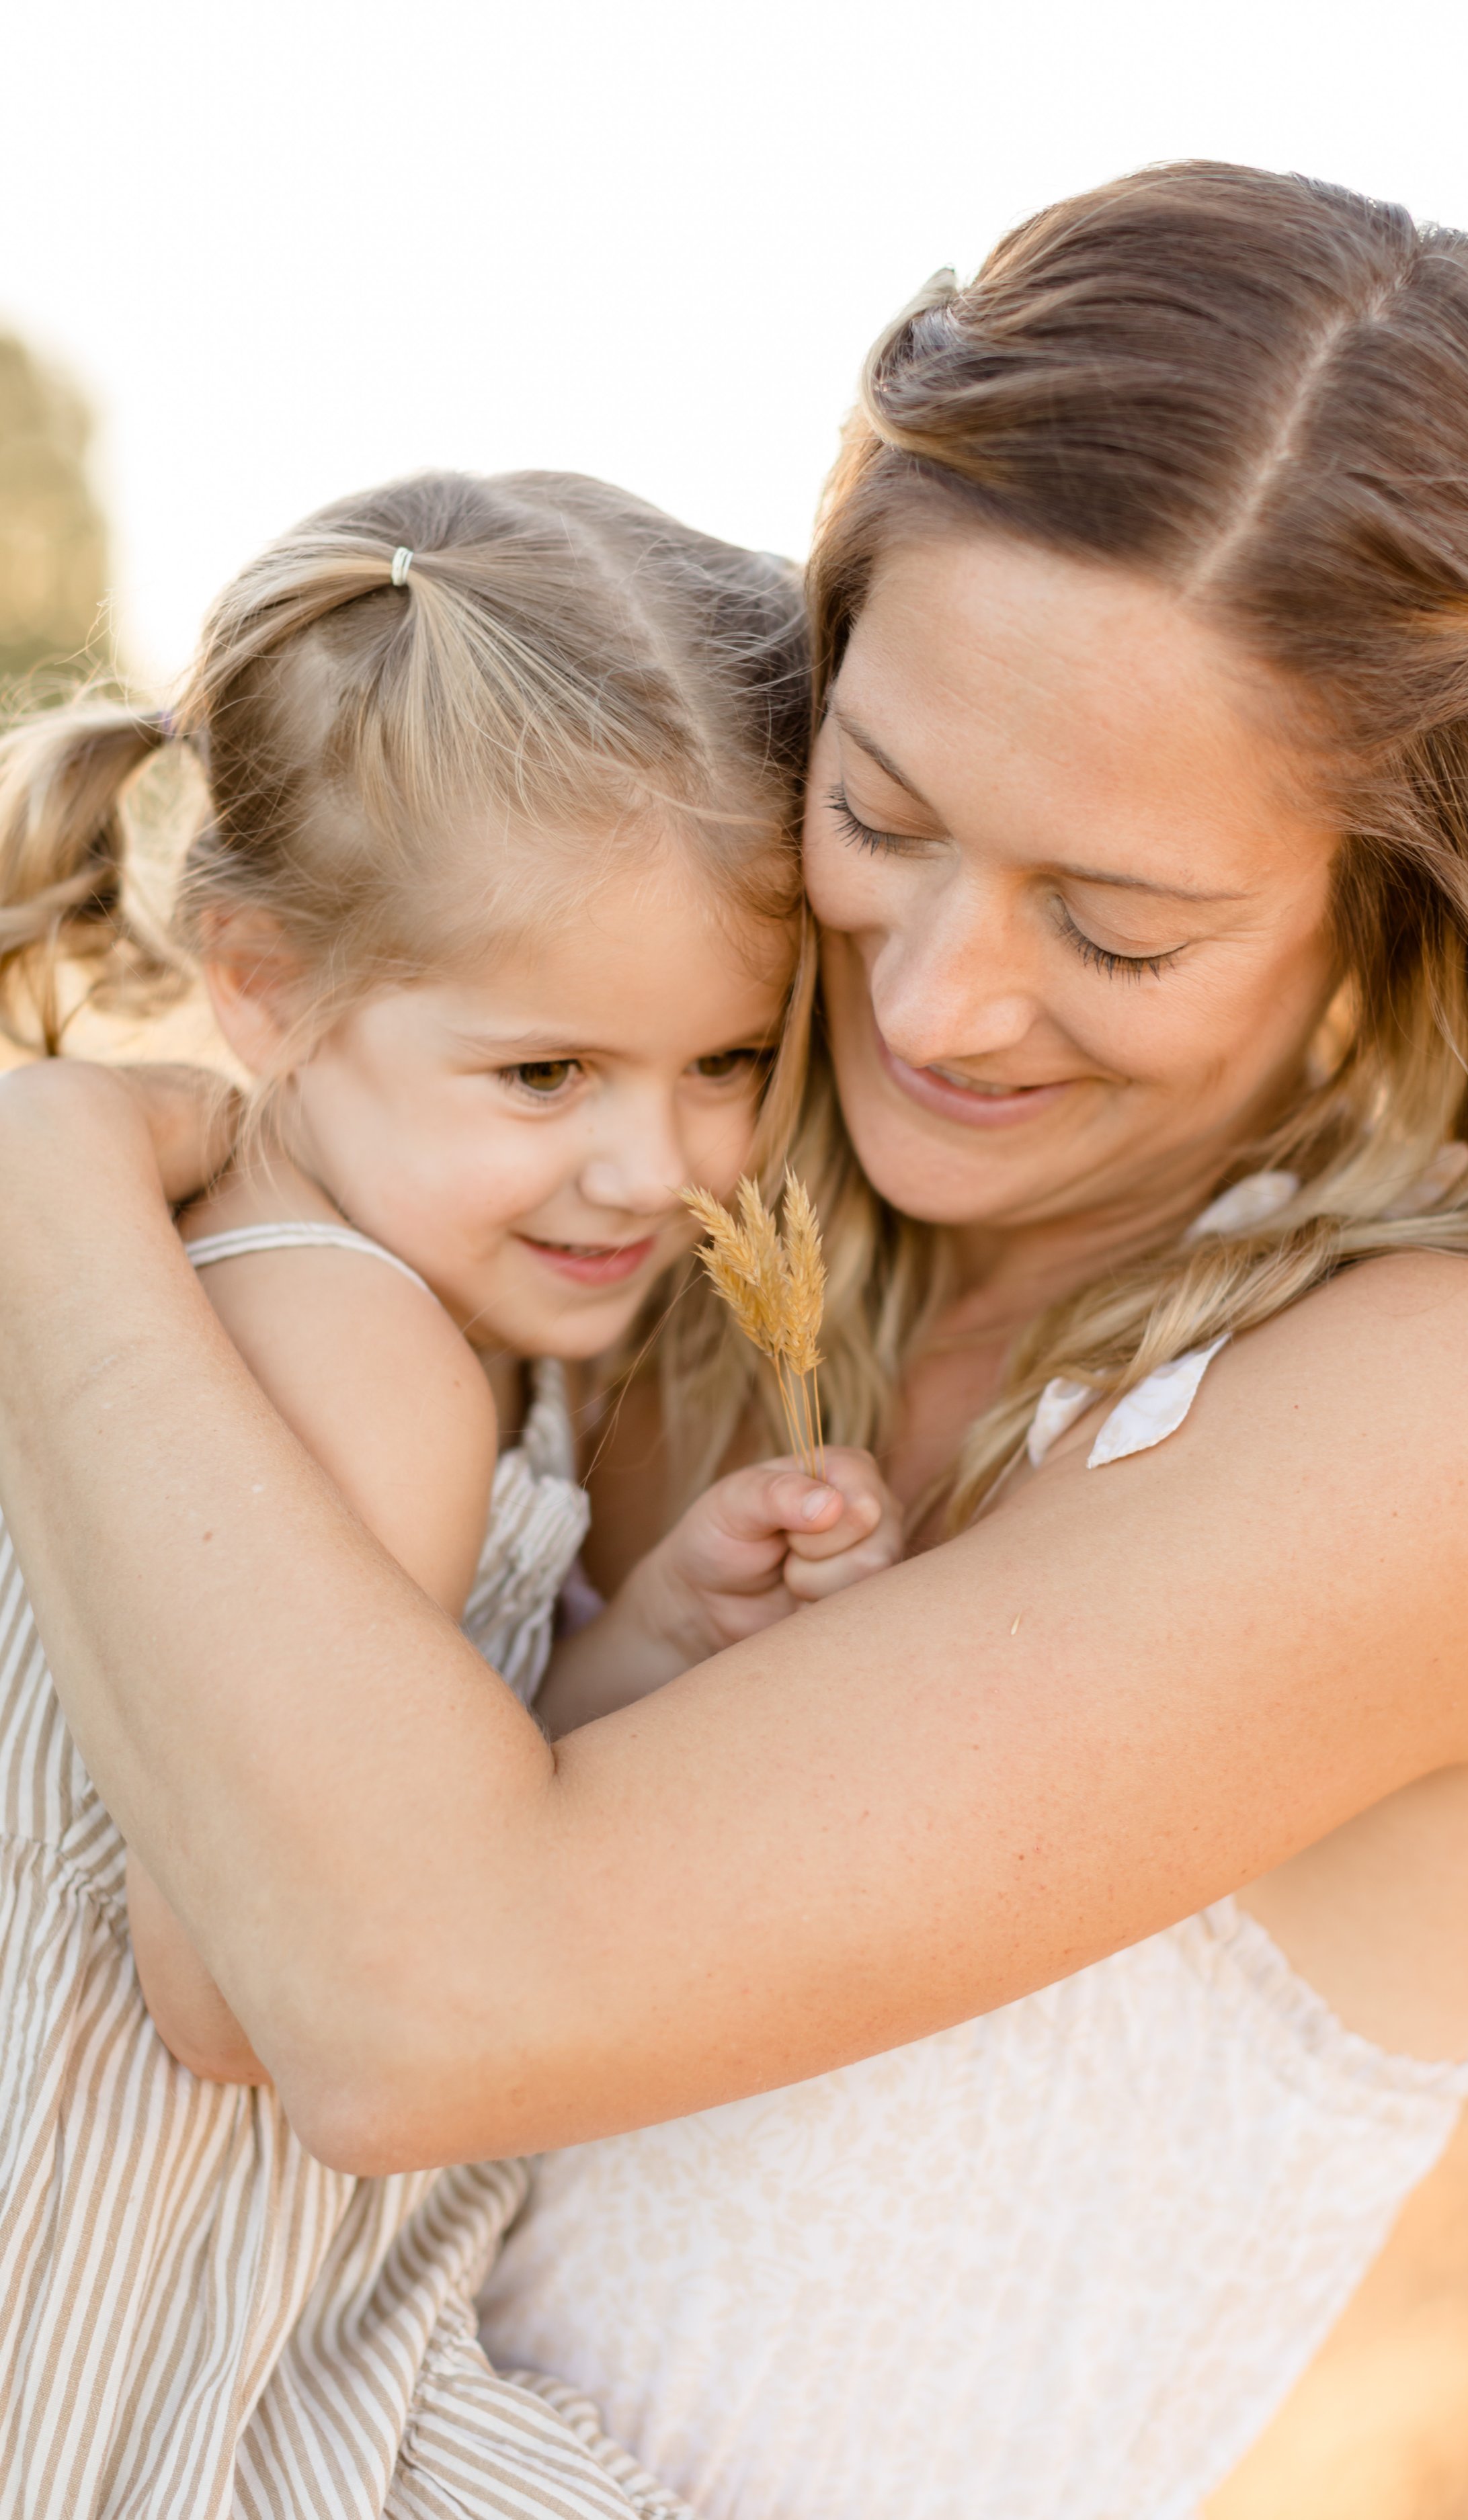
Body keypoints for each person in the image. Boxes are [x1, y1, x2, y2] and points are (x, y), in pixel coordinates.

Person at [3, 162, 1468, 2520]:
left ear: (1390, 893)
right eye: (877, 814)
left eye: (1111, 927)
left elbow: (391, 2001)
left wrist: (54, 1205)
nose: (929, 996)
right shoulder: (643, 1224)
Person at [0, 465, 895, 2517]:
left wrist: (647, 1643)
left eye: (725, 1064)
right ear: (259, 982)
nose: (655, 1168)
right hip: (124, 2317)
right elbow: (249, 1976)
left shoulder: (231, 1277)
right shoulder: (365, 1350)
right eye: (544, 1076)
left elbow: (360, 1811)